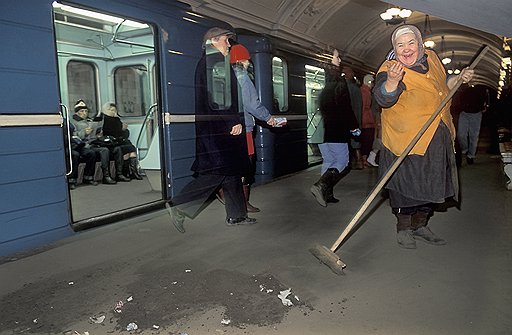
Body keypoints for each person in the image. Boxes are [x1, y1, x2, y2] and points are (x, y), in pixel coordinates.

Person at [373, 25, 473, 249]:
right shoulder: (389, 68)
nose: (406, 49)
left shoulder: (433, 59)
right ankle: (404, 228)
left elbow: (445, 86)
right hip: (406, 141)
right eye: (400, 45)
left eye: (411, 43)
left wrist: (459, 79)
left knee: (432, 185)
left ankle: (421, 225)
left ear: (419, 44)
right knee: (405, 188)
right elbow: (383, 97)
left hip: (437, 137)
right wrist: (392, 81)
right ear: (394, 48)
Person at [166, 27, 255, 233]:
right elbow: (219, 97)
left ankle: (237, 215)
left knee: (231, 172)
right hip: (219, 131)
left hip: (216, 129)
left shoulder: (211, 62)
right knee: (217, 172)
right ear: (213, 41)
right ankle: (178, 205)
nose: (229, 44)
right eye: (225, 40)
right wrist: (233, 121)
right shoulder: (215, 63)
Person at [229, 43, 277, 212]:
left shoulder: (228, 76)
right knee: (247, 166)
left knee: (236, 165)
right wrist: (268, 117)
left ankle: (234, 199)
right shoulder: (243, 77)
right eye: (247, 60)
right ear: (241, 60)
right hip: (245, 130)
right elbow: (252, 104)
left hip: (232, 129)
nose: (249, 63)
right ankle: (243, 203)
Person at [310, 49, 359, 207]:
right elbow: (345, 107)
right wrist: (353, 126)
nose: (339, 60)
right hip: (336, 129)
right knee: (342, 161)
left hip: (322, 130)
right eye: (337, 57)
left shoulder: (324, 80)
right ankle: (321, 185)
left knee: (329, 160)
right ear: (331, 61)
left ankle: (327, 194)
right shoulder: (339, 82)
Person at [70, 100, 117, 185]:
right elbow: (73, 136)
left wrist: (98, 134)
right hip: (81, 145)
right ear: (77, 112)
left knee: (105, 150)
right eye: (82, 111)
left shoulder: (90, 121)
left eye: (86, 111)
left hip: (92, 143)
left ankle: (105, 175)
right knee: (89, 153)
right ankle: (77, 178)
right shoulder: (73, 122)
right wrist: (84, 132)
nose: (84, 113)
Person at [100, 102, 142, 181]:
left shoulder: (117, 119)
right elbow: (111, 133)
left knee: (130, 149)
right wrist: (122, 129)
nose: (113, 112)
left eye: (114, 110)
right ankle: (125, 172)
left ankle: (132, 171)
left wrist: (124, 130)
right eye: (111, 110)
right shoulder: (104, 120)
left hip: (119, 141)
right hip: (111, 143)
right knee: (127, 149)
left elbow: (125, 134)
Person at [455, 84, 488, 165]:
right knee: (461, 134)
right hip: (464, 113)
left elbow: (486, 97)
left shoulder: (481, 87)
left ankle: (471, 156)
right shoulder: (463, 85)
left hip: (476, 113)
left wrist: (484, 107)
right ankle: (465, 149)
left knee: (474, 136)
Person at [66, 122, 98, 189]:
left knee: (91, 153)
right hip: (65, 146)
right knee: (75, 155)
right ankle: (72, 180)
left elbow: (74, 133)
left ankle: (88, 177)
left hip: (74, 144)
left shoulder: (68, 122)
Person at [343, 66, 364, 170]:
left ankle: (352, 162)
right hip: (356, 117)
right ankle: (359, 161)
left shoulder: (345, 88)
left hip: (349, 118)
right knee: (356, 140)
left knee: (350, 141)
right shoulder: (356, 88)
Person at [359, 74, 377, 168]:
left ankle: (364, 159)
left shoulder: (364, 91)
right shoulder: (366, 92)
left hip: (365, 120)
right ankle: (364, 159)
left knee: (366, 140)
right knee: (367, 140)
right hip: (367, 121)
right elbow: (365, 107)